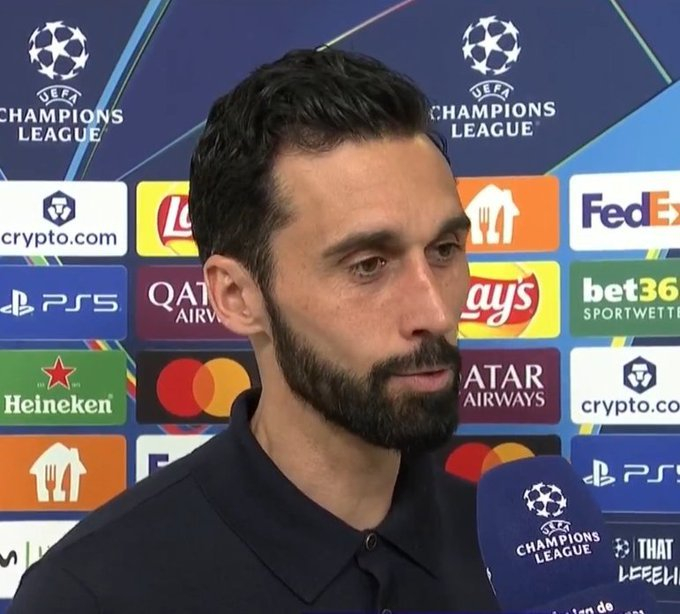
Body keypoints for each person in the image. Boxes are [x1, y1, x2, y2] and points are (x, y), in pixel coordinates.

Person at [9, 48, 499, 613]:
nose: (435, 313)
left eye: (444, 250)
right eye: (368, 265)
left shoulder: (520, 555)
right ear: (237, 297)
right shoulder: (93, 594)